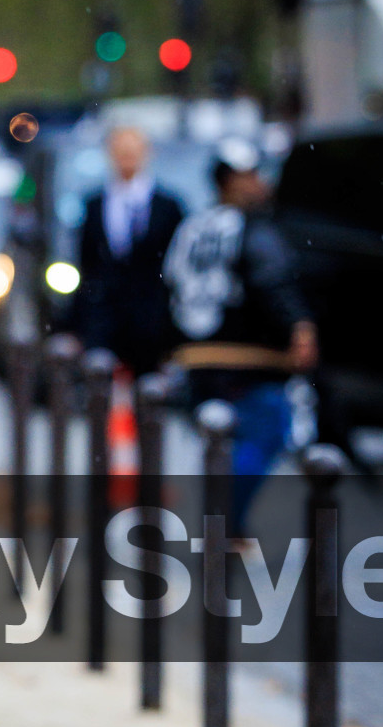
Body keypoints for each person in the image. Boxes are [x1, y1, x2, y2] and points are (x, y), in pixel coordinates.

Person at [165, 139, 317, 511]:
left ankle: (224, 522)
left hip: (199, 355)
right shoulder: (251, 228)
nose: (259, 184)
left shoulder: (193, 227)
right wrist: (299, 327)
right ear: (228, 181)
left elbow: (168, 284)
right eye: (249, 176)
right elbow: (272, 280)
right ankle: (225, 519)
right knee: (267, 430)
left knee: (224, 440)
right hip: (249, 358)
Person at [71, 124, 186, 376]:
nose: (127, 159)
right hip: (104, 318)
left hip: (152, 320)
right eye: (121, 152)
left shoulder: (168, 206)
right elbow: (85, 265)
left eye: (133, 152)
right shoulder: (93, 205)